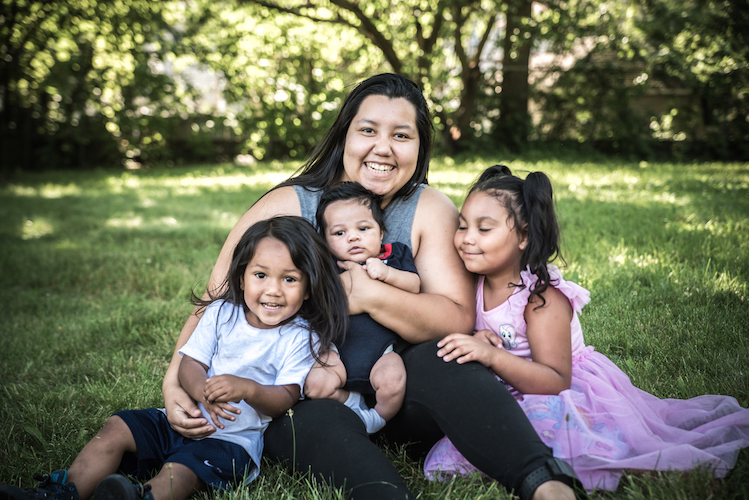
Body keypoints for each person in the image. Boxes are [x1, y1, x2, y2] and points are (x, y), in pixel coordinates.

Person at [161, 73, 580, 500]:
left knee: (448, 358)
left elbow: (456, 316)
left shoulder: (428, 208)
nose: (383, 148)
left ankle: (543, 482)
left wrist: (371, 295)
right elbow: (217, 301)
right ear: (345, 136)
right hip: (304, 398)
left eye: (401, 135)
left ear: (419, 147)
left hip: (399, 391)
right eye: (368, 130)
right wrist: (174, 381)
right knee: (311, 421)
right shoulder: (290, 205)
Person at [424, 165, 749, 492]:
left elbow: (555, 380)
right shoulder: (474, 284)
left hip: (566, 395)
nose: (466, 239)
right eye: (463, 226)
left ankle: (650, 468)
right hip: (511, 389)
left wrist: (492, 356)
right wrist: (480, 340)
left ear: (523, 236)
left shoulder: (540, 299)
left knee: (567, 439)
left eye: (484, 229)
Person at [1, 216, 348, 500]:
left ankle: (141, 497)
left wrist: (247, 388)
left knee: (181, 470)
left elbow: (284, 399)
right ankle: (61, 492)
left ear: (308, 288)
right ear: (241, 277)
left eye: (289, 279)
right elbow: (191, 364)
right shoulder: (220, 314)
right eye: (261, 275)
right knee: (117, 426)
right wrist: (200, 392)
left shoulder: (301, 336)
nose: (273, 290)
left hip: (231, 442)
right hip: (180, 419)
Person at [305, 181, 419, 434]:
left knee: (393, 381)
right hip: (335, 351)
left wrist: (387, 274)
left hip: (382, 353)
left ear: (381, 233)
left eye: (363, 228)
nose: (353, 237)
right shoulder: (326, 266)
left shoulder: (394, 255)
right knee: (314, 385)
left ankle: (376, 421)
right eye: (339, 233)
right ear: (324, 240)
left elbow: (414, 285)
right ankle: (350, 402)